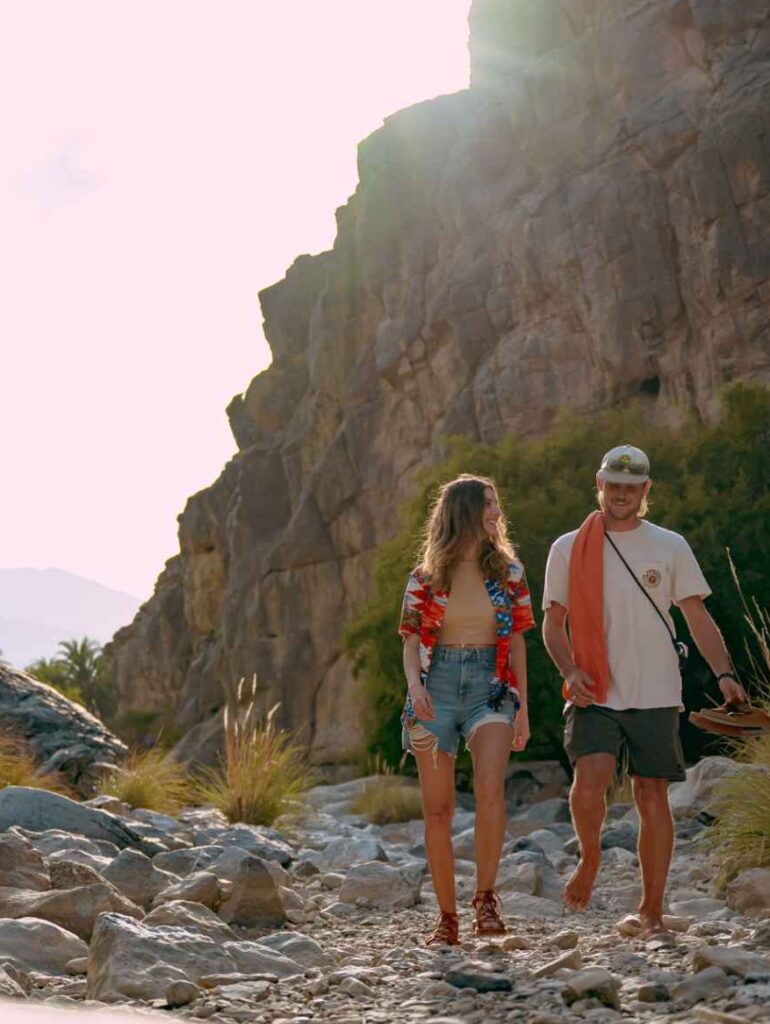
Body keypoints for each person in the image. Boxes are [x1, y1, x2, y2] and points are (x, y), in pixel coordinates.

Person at [541, 444, 746, 940]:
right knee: (590, 778)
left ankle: (651, 909)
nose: (621, 495)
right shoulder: (569, 546)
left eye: (631, 488)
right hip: (594, 686)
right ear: (600, 484)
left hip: (656, 686)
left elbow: (697, 617)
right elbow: (553, 624)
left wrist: (725, 674)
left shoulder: (670, 545)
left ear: (645, 490)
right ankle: (590, 857)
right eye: (613, 486)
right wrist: (569, 670)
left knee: (651, 793)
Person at [398, 474, 535, 946]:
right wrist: (415, 686)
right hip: (435, 687)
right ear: (465, 512)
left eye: (497, 505)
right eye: (489, 505)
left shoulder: (510, 573)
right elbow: (411, 641)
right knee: (437, 810)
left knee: (491, 789)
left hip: (491, 687)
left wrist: (523, 708)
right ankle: (446, 917)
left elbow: (517, 641)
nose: (497, 513)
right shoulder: (424, 578)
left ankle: (485, 898)